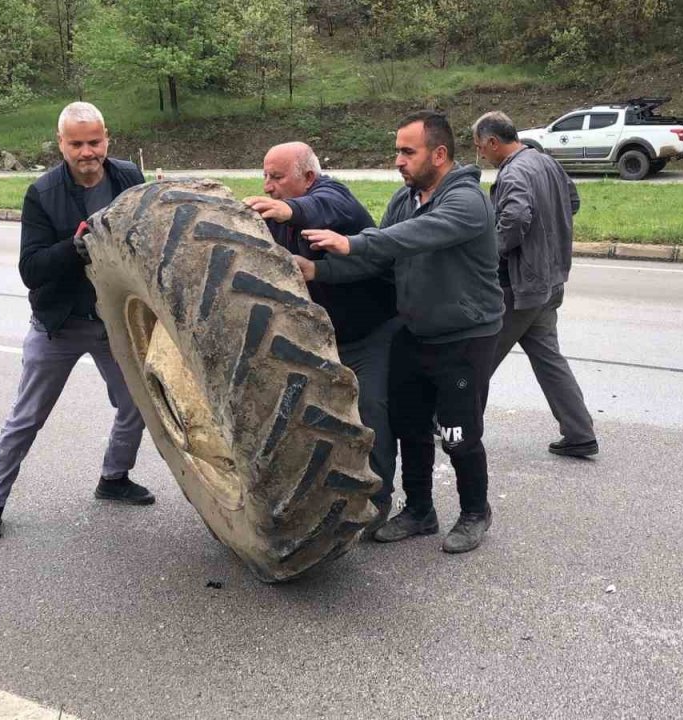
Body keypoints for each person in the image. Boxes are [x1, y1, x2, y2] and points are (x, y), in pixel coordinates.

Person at [297, 111, 504, 554]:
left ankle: (474, 512)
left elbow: (411, 238)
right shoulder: (404, 199)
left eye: (408, 151)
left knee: (458, 433)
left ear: (440, 154)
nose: (398, 160)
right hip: (414, 333)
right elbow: (379, 256)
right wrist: (317, 269)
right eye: (397, 151)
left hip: (465, 337)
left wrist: (353, 241)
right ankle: (419, 510)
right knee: (409, 426)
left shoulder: (467, 202)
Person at [0, 102, 154, 544]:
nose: (87, 152)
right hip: (60, 323)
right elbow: (31, 269)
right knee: (26, 418)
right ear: (61, 145)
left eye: (94, 142)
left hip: (115, 323)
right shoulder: (43, 193)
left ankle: (114, 478)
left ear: (106, 138)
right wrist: (79, 242)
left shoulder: (128, 177)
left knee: (137, 404)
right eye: (77, 144)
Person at [241, 143, 401, 526]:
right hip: (320, 339)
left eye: (277, 177)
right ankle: (319, 496)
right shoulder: (275, 218)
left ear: (308, 177)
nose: (268, 187)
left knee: (372, 410)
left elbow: (323, 205)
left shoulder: (334, 197)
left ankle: (377, 503)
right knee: (317, 421)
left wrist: (291, 209)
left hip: (369, 332)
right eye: (265, 176)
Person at [472, 111, 598, 458]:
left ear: (494, 142)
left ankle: (459, 424)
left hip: (520, 286)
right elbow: (572, 202)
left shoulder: (512, 173)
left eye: (481, 147)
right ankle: (579, 432)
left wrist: (489, 256)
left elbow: (514, 218)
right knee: (548, 358)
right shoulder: (545, 162)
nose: (481, 154)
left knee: (478, 357)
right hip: (551, 279)